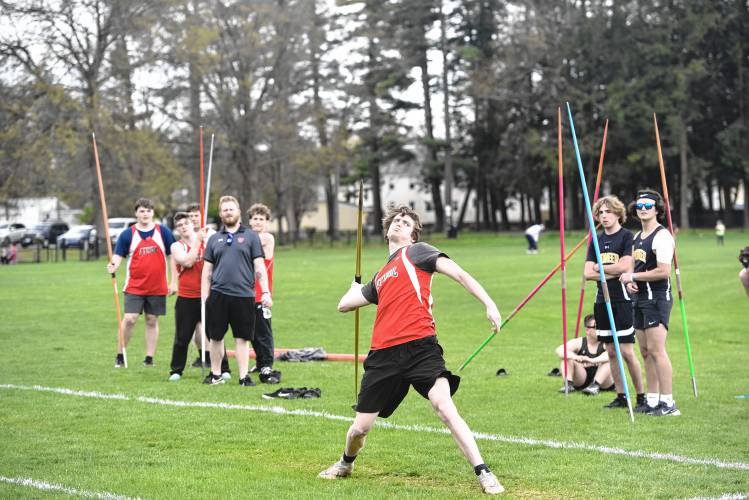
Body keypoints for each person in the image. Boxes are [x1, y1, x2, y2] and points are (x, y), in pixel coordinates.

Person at [318, 206, 504, 495]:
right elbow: (344, 305)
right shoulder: (380, 276)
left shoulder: (417, 253)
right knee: (359, 430)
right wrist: (353, 286)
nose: (399, 224)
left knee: (444, 406)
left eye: (406, 223)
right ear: (387, 229)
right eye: (396, 220)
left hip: (421, 347)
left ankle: (484, 472)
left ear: (413, 236)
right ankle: (345, 463)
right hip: (383, 355)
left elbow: (460, 274)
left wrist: (489, 303)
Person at [620, 189, 680, 416]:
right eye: (639, 206)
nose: (643, 209)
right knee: (645, 351)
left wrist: (633, 277)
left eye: (648, 205)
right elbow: (634, 269)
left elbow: (663, 272)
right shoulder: (637, 237)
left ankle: (668, 403)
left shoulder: (662, 236)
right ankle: (652, 400)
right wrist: (629, 283)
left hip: (657, 298)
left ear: (657, 209)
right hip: (640, 297)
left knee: (657, 350)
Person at [583, 195, 646, 411]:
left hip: (622, 300)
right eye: (600, 212)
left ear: (618, 213)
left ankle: (641, 396)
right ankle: (621, 396)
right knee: (610, 352)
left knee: (626, 352)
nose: (604, 216)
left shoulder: (627, 237)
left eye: (608, 211)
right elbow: (586, 273)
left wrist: (601, 269)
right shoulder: (596, 241)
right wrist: (611, 270)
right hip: (601, 301)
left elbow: (626, 267)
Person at [201, 196, 271, 386]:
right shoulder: (214, 239)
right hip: (218, 295)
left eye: (231, 209)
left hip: (244, 295)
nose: (228, 212)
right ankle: (216, 375)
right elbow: (207, 270)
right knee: (215, 337)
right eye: (224, 210)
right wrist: (204, 297)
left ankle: (243, 376)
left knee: (242, 338)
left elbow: (259, 266)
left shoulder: (250, 237)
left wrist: (265, 292)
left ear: (238, 211)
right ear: (221, 214)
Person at [108, 198, 176, 367]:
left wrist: (174, 282)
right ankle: (120, 354)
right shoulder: (127, 234)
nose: (145, 214)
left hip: (158, 285)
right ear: (136, 213)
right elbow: (118, 256)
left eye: (148, 211)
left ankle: (149, 358)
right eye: (142, 211)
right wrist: (113, 265)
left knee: (152, 320)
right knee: (130, 319)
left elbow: (173, 255)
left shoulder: (164, 232)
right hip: (135, 286)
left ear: (152, 213)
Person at [167, 212, 206, 381]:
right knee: (182, 336)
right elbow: (188, 262)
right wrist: (198, 241)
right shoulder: (177, 246)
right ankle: (176, 370)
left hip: (207, 296)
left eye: (186, 223)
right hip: (187, 297)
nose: (183, 227)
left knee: (215, 334)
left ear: (193, 224)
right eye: (179, 225)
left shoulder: (207, 242)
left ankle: (222, 367)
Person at [247, 203, 280, 384]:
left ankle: (267, 364)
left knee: (263, 331)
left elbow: (259, 253)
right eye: (255, 218)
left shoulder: (267, 237)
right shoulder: (246, 237)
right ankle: (259, 362)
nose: (258, 222)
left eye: (262, 219)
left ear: (267, 222)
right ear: (250, 221)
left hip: (262, 293)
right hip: (245, 292)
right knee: (250, 331)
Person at [555, 314, 613, 395]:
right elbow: (560, 350)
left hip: (604, 382)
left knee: (611, 360)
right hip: (582, 378)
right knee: (566, 358)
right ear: (587, 330)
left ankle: (595, 386)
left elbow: (612, 354)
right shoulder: (579, 342)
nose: (600, 330)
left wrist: (592, 360)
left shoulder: (606, 343)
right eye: (596, 327)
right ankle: (568, 385)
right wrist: (576, 357)